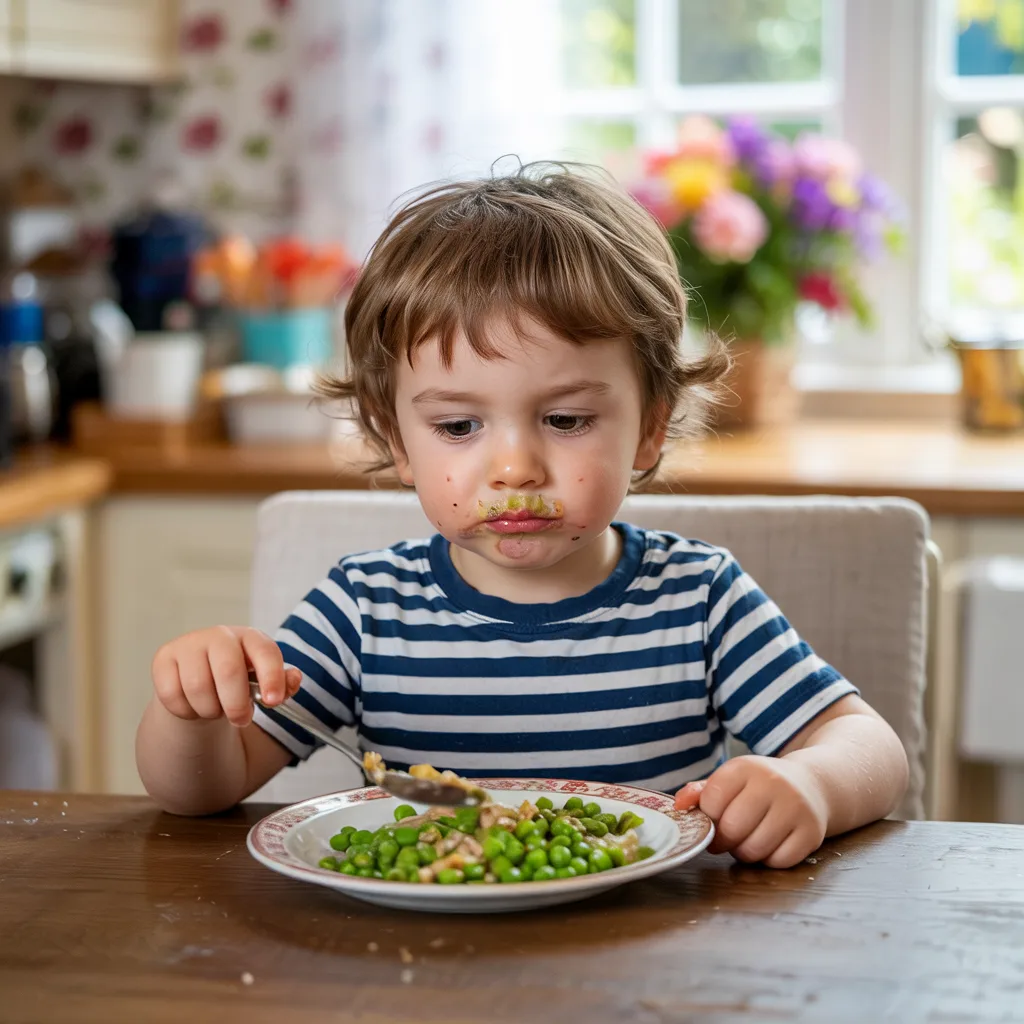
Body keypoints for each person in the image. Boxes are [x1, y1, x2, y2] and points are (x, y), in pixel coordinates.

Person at [136, 162, 908, 869]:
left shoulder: (698, 598)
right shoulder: (365, 608)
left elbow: (871, 748)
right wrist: (194, 713)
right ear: (392, 437)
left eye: (566, 420)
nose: (514, 469)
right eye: (458, 427)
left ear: (647, 426)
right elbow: (201, 790)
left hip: (650, 951)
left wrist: (809, 784)